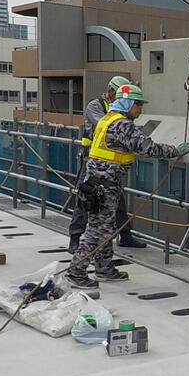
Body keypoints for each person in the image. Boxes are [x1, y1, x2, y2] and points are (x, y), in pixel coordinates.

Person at [66, 84, 189, 289]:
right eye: (138, 105)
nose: (140, 110)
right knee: (96, 232)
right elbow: (148, 147)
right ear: (128, 103)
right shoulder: (122, 125)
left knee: (105, 229)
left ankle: (104, 269)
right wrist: (175, 151)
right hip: (104, 185)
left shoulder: (108, 119)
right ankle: (76, 271)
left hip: (97, 183)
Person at [68, 75, 146, 252]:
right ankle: (75, 237)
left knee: (116, 197)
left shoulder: (117, 112)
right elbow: (107, 126)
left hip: (111, 163)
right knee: (85, 198)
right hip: (92, 161)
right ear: (111, 92)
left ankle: (124, 234)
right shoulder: (96, 106)